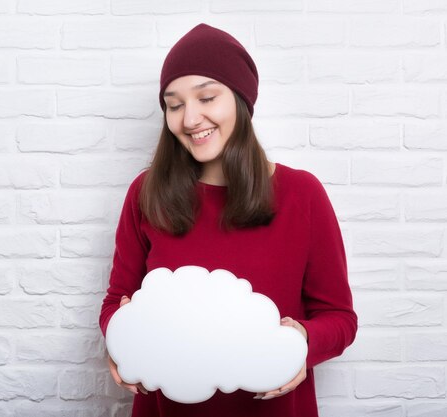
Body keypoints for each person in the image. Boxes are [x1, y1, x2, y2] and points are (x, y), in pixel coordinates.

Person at [98, 23, 357, 417]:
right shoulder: (145, 193)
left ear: (240, 100)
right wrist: (119, 339)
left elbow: (340, 319)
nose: (189, 119)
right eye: (175, 104)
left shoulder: (302, 195)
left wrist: (303, 339)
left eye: (206, 97)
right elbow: (117, 301)